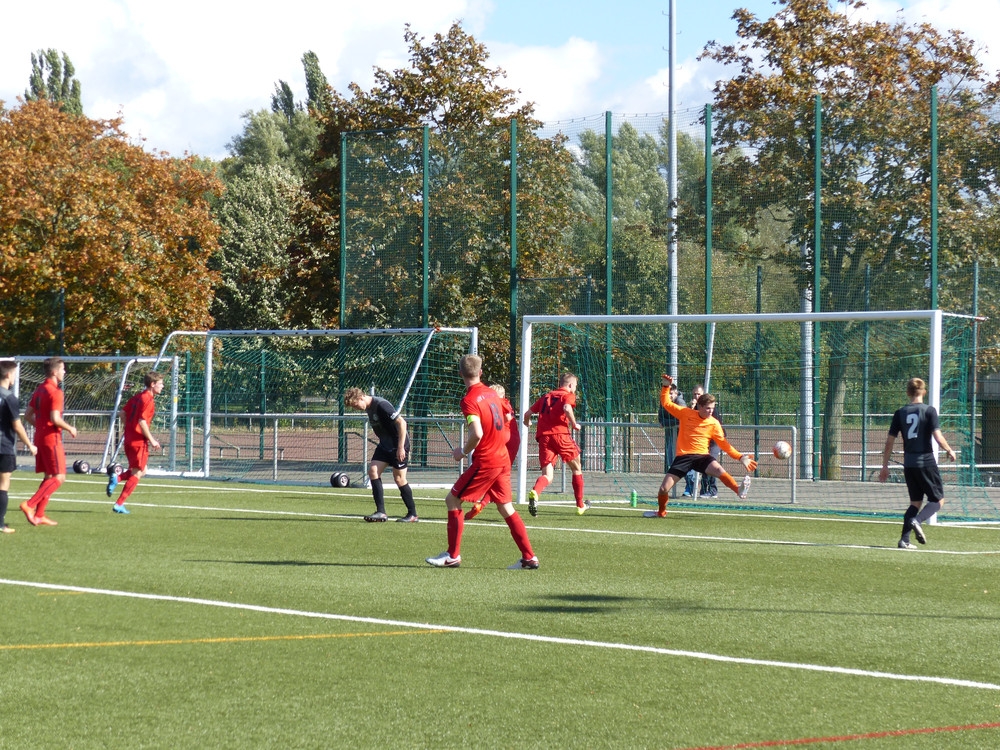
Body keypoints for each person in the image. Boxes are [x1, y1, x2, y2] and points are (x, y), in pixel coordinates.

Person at [426, 354, 537, 569]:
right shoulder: (493, 394)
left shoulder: (469, 400)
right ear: (481, 372)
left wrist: (462, 452)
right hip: (502, 458)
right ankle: (529, 557)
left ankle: (452, 555)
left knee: (452, 500)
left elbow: (476, 433)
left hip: (487, 460)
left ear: (460, 373)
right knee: (506, 507)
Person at [645, 374, 756, 518]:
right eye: (708, 408)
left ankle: (738, 490)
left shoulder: (714, 423)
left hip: (702, 457)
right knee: (663, 489)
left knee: (720, 470)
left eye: (713, 408)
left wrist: (741, 457)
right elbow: (666, 403)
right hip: (683, 457)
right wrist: (666, 386)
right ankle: (661, 512)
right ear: (700, 406)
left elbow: (724, 444)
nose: (711, 411)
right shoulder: (685, 413)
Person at [879, 377, 957, 550]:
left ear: (908, 392)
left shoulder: (900, 413)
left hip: (909, 464)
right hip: (926, 462)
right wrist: (949, 450)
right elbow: (938, 437)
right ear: (924, 392)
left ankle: (904, 540)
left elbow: (889, 442)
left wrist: (885, 466)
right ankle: (918, 520)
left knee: (915, 502)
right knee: (938, 500)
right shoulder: (929, 411)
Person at [344, 387, 418, 523]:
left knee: (399, 479)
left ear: (361, 397)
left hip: (398, 445)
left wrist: (401, 447)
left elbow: (402, 423)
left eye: (355, 405)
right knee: (373, 471)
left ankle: (412, 514)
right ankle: (381, 512)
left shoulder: (381, 405)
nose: (356, 408)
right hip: (385, 445)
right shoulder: (368, 407)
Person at [20, 357, 77, 527]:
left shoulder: (40, 389)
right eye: (62, 369)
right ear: (54, 371)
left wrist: (41, 426)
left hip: (40, 437)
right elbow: (55, 418)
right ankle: (29, 504)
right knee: (60, 477)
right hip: (52, 439)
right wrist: (70, 428)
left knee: (49, 476)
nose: (64, 372)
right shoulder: (56, 392)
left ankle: (39, 515)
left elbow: (28, 415)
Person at [523, 372, 587, 516]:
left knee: (547, 475)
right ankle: (580, 505)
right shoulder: (567, 395)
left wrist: (527, 422)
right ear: (570, 385)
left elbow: (527, 414)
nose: (575, 389)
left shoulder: (546, 396)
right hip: (560, 435)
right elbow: (567, 408)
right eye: (575, 386)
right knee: (577, 468)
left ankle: (535, 491)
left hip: (544, 438)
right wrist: (574, 424)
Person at [106, 371, 165, 514]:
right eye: (160, 383)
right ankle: (119, 503)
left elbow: (122, 413)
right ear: (153, 384)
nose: (162, 386)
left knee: (142, 470)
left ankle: (117, 478)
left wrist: (129, 428)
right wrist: (152, 440)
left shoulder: (137, 397)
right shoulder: (148, 400)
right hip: (138, 441)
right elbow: (142, 422)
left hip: (129, 439)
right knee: (138, 473)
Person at [464, 383, 519, 520]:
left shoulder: (498, 403)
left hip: (502, 439)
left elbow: (507, 417)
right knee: (497, 475)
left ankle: (480, 503)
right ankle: (481, 504)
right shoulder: (505, 403)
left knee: (494, 474)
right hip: (511, 438)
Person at [0, 361, 38, 533]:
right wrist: (30, 445)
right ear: (9, 375)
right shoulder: (9, 398)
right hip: (4, 446)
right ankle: (0, 524)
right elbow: (17, 425)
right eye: (14, 374)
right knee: (3, 484)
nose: (15, 377)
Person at [658, 382, 685, 474]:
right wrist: (667, 423)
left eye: (671, 393)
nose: (669, 396)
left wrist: (666, 423)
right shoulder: (663, 401)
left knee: (683, 462)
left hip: (683, 435)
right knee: (671, 460)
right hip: (672, 434)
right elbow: (660, 418)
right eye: (667, 393)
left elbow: (681, 419)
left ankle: (691, 480)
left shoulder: (680, 402)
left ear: (676, 393)